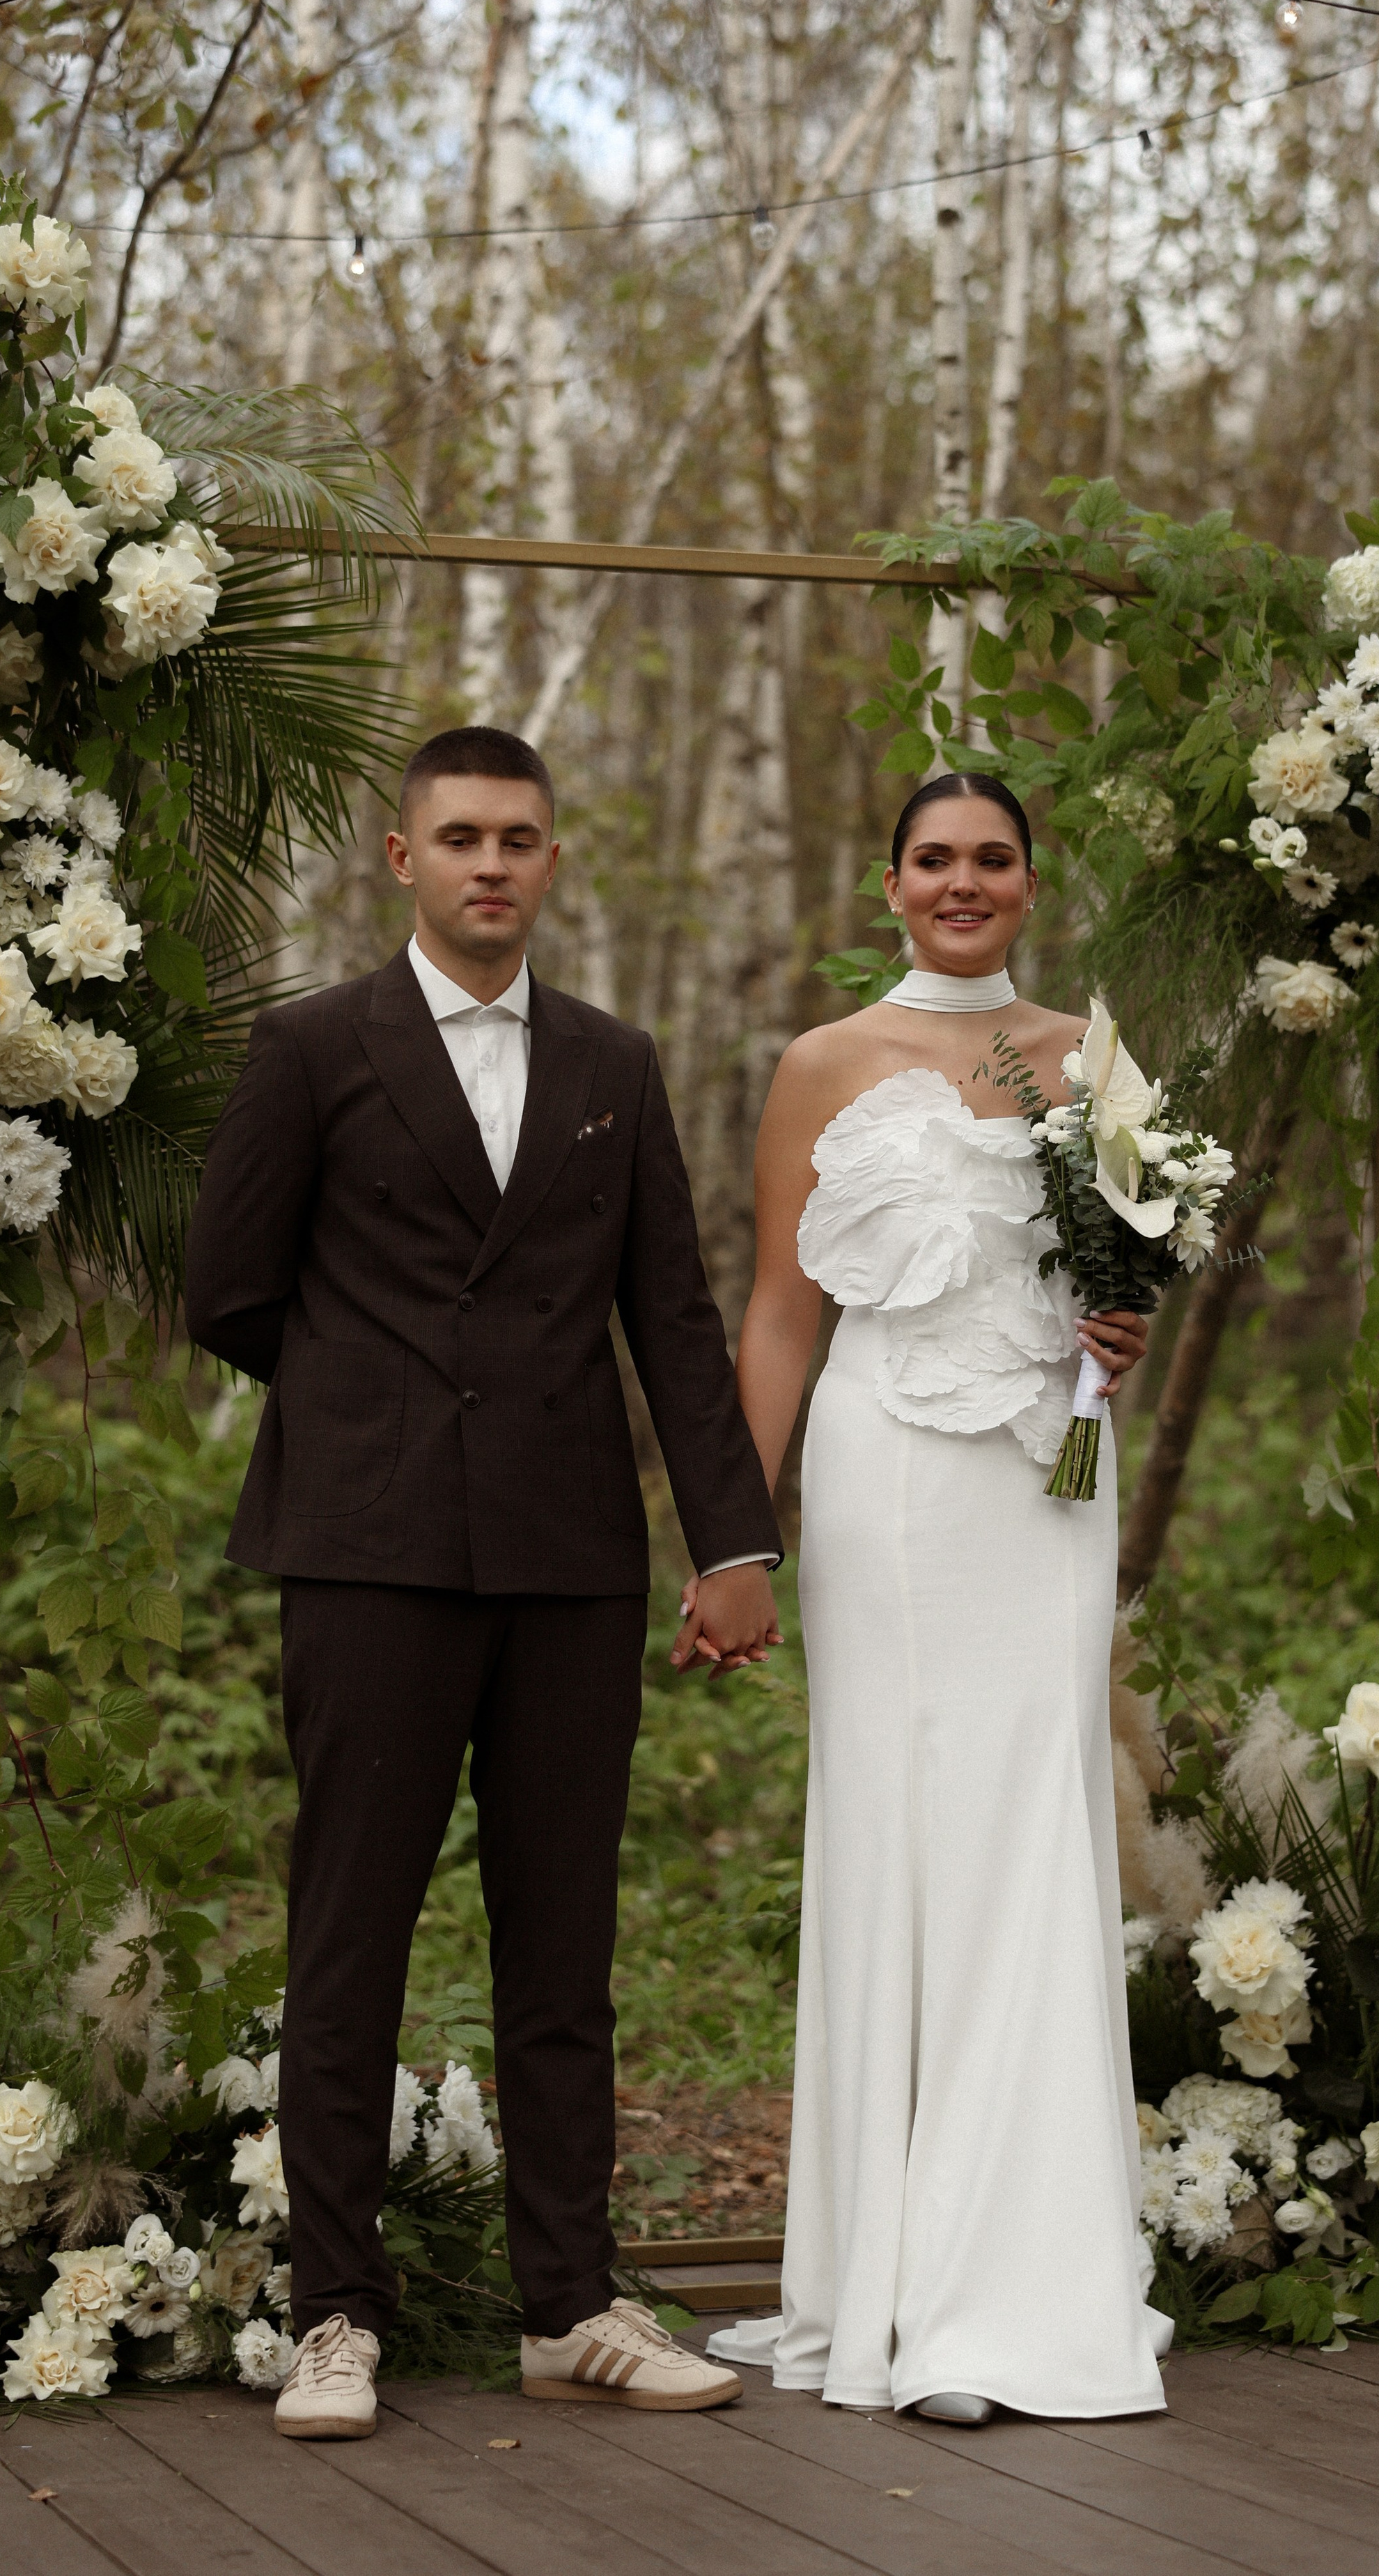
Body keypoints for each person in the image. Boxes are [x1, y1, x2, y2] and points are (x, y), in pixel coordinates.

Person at [185, 726, 783, 2437]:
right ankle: (334, 2314)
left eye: (517, 837)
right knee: (349, 1936)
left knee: (562, 1947)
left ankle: (569, 2304)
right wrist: (370, 1411)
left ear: (550, 858)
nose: (490, 864)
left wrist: (732, 1541)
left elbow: (671, 1318)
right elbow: (229, 1287)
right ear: (403, 857)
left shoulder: (613, 1061)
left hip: (568, 1558)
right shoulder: (314, 1047)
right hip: (365, 1552)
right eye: (459, 837)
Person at [729, 772, 1174, 2425]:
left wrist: (1122, 1332)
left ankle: (1012, 2292)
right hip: (884, 1475)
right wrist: (733, 1531)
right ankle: (886, 2288)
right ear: (890, 881)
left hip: (1044, 1480)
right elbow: (780, 1312)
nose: (961, 882)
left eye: (991, 859)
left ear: (1029, 885)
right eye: (934, 859)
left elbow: (1124, 1276)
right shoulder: (822, 1063)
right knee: (898, 1833)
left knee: (1031, 1832)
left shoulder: (1095, 1061)